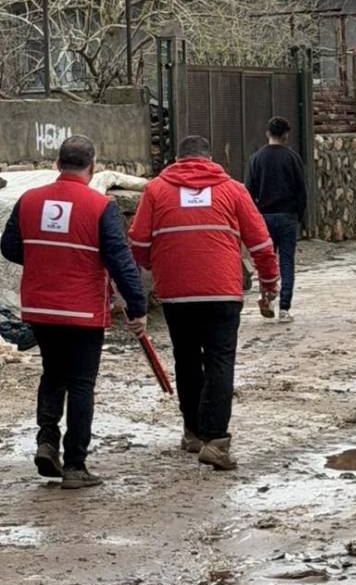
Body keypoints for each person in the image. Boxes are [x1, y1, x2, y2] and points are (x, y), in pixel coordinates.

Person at [0, 136, 148, 490]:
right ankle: (75, 464)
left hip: (40, 306)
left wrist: (43, 261)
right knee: (81, 383)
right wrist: (137, 306)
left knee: (53, 373)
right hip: (82, 309)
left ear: (57, 164)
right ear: (92, 166)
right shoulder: (100, 206)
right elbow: (120, 260)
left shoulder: (29, 200)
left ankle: (46, 441)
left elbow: (9, 247)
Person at [128, 136, 279, 471]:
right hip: (222, 291)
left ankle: (194, 432)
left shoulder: (156, 190)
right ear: (209, 159)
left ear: (178, 159)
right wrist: (270, 285)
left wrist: (153, 266)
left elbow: (137, 242)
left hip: (177, 293)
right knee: (220, 361)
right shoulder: (232, 189)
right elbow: (262, 244)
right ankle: (216, 440)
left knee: (186, 359)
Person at [245, 116, 306, 323]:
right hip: (288, 216)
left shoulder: (256, 159)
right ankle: (285, 309)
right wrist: (300, 215)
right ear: (286, 135)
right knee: (287, 261)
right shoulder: (292, 158)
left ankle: (267, 298)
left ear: (267, 134)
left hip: (264, 217)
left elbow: (248, 191)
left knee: (265, 260)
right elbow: (301, 190)